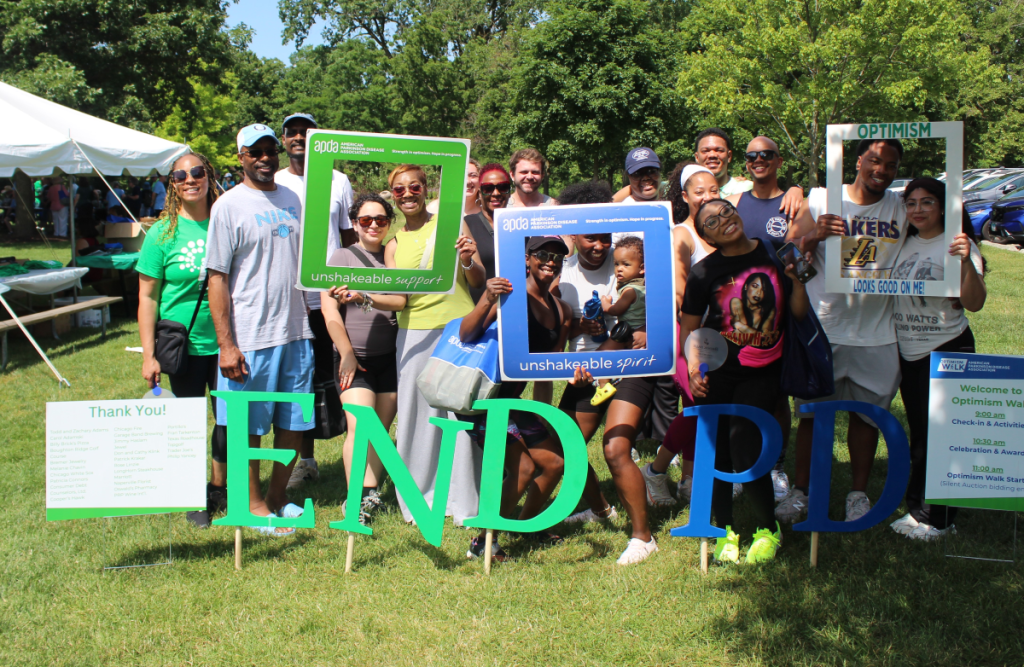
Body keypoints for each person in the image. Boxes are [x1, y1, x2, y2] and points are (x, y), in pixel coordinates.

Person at [780, 138, 908, 524]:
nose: (881, 170)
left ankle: (857, 494)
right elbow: (786, 252)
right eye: (874, 160)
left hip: (878, 331)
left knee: (867, 418)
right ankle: (801, 492)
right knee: (812, 416)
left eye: (890, 164)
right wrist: (813, 235)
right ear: (858, 160)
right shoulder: (821, 199)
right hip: (826, 327)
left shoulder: (901, 206)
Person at [681, 198, 811, 563]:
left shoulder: (775, 253)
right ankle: (726, 531)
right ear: (706, 237)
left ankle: (768, 529)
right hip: (715, 373)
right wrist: (693, 370)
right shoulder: (704, 272)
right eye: (711, 222)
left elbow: (798, 313)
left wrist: (796, 283)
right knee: (719, 453)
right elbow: (690, 327)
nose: (724, 220)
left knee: (744, 449)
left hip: (763, 371)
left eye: (726, 212)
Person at [205, 123, 315, 536]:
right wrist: (227, 344)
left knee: (293, 422)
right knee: (247, 424)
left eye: (270, 150)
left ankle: (277, 498)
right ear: (241, 158)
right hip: (250, 337)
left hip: (296, 331)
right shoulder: (228, 206)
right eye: (255, 152)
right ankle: (251, 506)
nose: (265, 158)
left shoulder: (293, 199)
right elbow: (217, 277)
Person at [384, 164, 487, 526]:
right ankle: (420, 498)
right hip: (413, 335)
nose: (408, 194)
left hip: (459, 330)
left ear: (426, 188)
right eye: (399, 190)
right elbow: (398, 301)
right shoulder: (394, 245)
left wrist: (467, 258)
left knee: (460, 414)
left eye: (415, 187)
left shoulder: (452, 224)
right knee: (417, 416)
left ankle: (464, 502)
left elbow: (477, 278)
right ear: (393, 196)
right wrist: (361, 297)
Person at [459, 236, 572, 561]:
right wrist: (486, 299)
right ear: (527, 258)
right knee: (522, 468)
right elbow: (466, 334)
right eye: (543, 255)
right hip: (487, 401)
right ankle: (483, 541)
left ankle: (525, 528)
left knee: (553, 464)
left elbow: (548, 370)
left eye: (557, 257)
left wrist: (542, 412)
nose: (551, 261)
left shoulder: (558, 308)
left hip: (518, 404)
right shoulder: (510, 297)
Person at [889, 177, 986, 541]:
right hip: (910, 351)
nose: (917, 210)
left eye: (927, 202)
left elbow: (974, 302)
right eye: (911, 203)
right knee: (922, 435)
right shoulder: (904, 242)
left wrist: (964, 263)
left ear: (943, 206)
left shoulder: (958, 245)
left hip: (947, 346)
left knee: (943, 437)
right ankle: (920, 509)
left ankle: (940, 519)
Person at [137, 152, 227, 528]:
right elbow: (147, 297)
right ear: (172, 184)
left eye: (197, 172)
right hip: (182, 344)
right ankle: (194, 496)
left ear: (209, 175)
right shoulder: (162, 233)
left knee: (227, 421)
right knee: (188, 422)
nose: (190, 180)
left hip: (228, 342)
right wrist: (148, 355)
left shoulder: (227, 219)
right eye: (180, 175)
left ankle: (219, 488)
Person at [274, 112, 356, 488]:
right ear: (283, 139)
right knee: (299, 380)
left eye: (307, 131)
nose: (299, 137)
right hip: (289, 299)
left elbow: (349, 237)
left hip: (334, 296)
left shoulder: (338, 181)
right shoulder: (273, 182)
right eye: (292, 132)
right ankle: (304, 461)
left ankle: (355, 451)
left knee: (341, 374)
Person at [726, 136, 807, 503]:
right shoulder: (734, 203)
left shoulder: (796, 205)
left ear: (779, 160)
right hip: (738, 319)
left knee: (777, 396)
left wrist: (798, 190)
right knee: (740, 393)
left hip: (780, 315)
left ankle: (775, 467)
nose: (759, 161)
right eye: (752, 156)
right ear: (745, 164)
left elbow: (801, 249)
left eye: (766, 155)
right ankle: (743, 464)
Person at [322, 194, 408, 524]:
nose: (373, 225)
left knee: (379, 434)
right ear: (354, 223)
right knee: (360, 427)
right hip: (353, 358)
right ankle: (354, 499)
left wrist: (366, 298)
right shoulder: (341, 257)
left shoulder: (392, 258)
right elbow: (330, 312)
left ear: (389, 222)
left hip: (390, 358)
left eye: (381, 220)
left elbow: (400, 302)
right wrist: (345, 353)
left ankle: (370, 493)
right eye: (365, 220)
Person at [639, 164, 719, 507]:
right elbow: (679, 293)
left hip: (719, 334)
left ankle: (688, 479)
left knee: (701, 407)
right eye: (699, 192)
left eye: (713, 190)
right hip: (690, 332)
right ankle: (657, 470)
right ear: (685, 197)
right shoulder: (681, 235)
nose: (707, 197)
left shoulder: (720, 231)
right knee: (701, 407)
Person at [462, 162, 511, 303]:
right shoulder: (467, 225)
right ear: (479, 191)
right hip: (477, 311)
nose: (496, 193)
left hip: (515, 308)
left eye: (502, 187)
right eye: (488, 188)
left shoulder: (519, 225)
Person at [695, 128, 752, 197]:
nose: (712, 155)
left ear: (729, 156)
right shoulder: (689, 194)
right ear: (697, 157)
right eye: (705, 151)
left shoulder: (747, 190)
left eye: (719, 150)